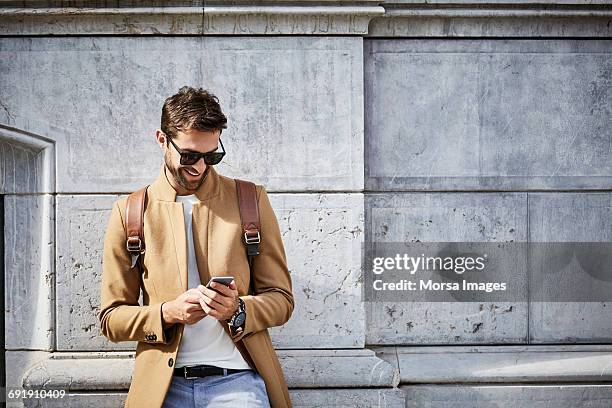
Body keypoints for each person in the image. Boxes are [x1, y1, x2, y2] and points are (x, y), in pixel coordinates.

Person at [98, 86, 294, 408]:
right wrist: (167, 313)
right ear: (162, 140)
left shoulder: (250, 200)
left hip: (238, 382)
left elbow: (282, 299)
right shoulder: (131, 211)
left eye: (211, 156)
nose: (200, 167)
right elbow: (111, 318)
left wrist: (238, 310)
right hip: (163, 387)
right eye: (189, 156)